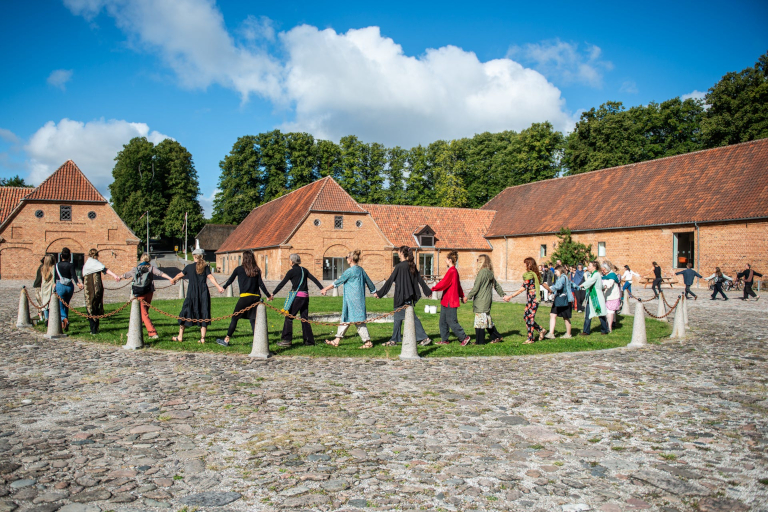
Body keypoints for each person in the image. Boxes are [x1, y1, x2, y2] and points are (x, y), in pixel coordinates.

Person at [375, 246, 433, 347]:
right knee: (398, 318)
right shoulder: (411, 265)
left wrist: (380, 293)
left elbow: (389, 281)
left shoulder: (399, 266)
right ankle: (394, 340)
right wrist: (427, 291)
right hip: (408, 296)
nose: (397, 252)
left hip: (400, 296)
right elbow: (420, 280)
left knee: (412, 318)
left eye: (398, 250)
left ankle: (424, 338)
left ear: (402, 253)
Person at [320, 250, 377, 349]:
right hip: (355, 300)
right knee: (346, 318)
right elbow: (369, 282)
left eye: (346, 257)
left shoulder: (349, 271)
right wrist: (374, 292)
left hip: (352, 300)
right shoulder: (361, 270)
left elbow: (337, 282)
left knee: (358, 321)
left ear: (350, 259)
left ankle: (368, 342)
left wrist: (325, 289)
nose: (346, 259)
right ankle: (336, 340)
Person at [216, 250, 270, 347]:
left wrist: (223, 287)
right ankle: (256, 343)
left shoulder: (239, 269)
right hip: (255, 298)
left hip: (245, 297)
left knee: (235, 318)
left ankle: (226, 339)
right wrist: (268, 295)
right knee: (253, 319)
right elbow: (261, 284)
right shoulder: (256, 270)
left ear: (244, 259)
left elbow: (230, 280)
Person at [170, 249, 224, 343]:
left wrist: (173, 280)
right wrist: (218, 287)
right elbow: (211, 277)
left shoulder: (189, 267)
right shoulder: (205, 267)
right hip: (203, 293)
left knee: (185, 312)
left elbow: (180, 275)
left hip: (192, 293)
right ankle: (202, 338)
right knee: (204, 312)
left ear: (194, 256)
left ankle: (180, 336)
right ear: (203, 256)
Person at [270, 253, 323, 347]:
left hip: (297, 297)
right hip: (305, 296)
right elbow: (314, 279)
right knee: (304, 319)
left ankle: (287, 340)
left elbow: (282, 283)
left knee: (289, 317)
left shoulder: (291, 272)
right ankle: (309, 341)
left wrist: (273, 293)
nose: (289, 261)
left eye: (289, 259)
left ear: (292, 261)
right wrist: (321, 288)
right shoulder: (304, 270)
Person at [122, 253, 175, 340]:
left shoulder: (135, 269)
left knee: (143, 314)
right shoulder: (151, 268)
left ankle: (152, 333)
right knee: (143, 313)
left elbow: (125, 275)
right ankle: (133, 330)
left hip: (140, 293)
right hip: (149, 293)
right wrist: (170, 279)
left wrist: (118, 277)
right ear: (149, 260)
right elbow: (161, 274)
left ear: (141, 259)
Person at [503, 257, 551, 344]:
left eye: (526, 263)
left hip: (535, 298)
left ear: (530, 264)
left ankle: (530, 338)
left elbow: (524, 288)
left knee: (530, 317)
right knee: (526, 317)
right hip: (529, 298)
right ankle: (541, 330)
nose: (525, 265)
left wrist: (511, 296)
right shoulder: (529, 275)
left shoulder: (534, 275)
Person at [431, 251, 471, 346]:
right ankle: (445, 339)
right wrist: (462, 295)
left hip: (451, 301)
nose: (445, 260)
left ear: (450, 260)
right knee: (443, 321)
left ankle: (464, 337)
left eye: (446, 259)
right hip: (446, 300)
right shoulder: (452, 271)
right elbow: (458, 285)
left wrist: (433, 289)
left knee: (451, 321)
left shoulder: (452, 271)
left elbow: (444, 283)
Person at [464, 254, 505, 345]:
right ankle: (496, 336)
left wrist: (468, 297)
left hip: (481, 300)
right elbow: (497, 286)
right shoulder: (489, 272)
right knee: (487, 320)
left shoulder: (482, 272)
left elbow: (476, 287)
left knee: (480, 322)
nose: (477, 262)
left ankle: (480, 342)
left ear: (482, 261)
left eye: (478, 260)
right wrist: (503, 295)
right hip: (487, 300)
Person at [82, 249, 121, 335]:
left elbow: (83, 276)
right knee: (96, 306)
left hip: (88, 289)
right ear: (97, 255)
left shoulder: (87, 264)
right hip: (97, 288)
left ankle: (92, 329)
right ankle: (95, 327)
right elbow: (105, 269)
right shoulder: (96, 263)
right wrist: (115, 276)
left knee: (89, 307)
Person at [54, 247, 84, 331]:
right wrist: (78, 283)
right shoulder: (71, 265)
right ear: (69, 256)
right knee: (66, 304)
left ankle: (64, 319)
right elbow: (74, 276)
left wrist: (54, 284)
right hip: (69, 286)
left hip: (60, 286)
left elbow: (55, 277)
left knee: (60, 305)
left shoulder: (57, 265)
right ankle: (64, 323)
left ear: (61, 256)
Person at [579, 261, 609, 336]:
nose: (588, 267)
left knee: (600, 313)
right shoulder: (592, 274)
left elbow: (590, 282)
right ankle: (586, 331)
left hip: (596, 297)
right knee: (587, 314)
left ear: (594, 267)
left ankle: (604, 329)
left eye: (589, 266)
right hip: (590, 297)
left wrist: (581, 286)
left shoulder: (596, 274)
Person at [546, 265, 573, 338]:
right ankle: (551, 333)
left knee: (566, 317)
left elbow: (559, 286)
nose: (555, 273)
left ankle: (568, 334)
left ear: (560, 270)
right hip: (558, 299)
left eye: (556, 271)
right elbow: (571, 284)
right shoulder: (560, 278)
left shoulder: (563, 278)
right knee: (552, 314)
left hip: (564, 300)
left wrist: (551, 289)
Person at [601, 262, 621, 332]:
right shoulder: (604, 276)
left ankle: (609, 327)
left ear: (606, 269)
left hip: (612, 296)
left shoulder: (612, 275)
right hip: (606, 296)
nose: (602, 271)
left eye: (603, 270)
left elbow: (610, 283)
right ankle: (607, 325)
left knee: (610, 311)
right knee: (606, 312)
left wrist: (605, 287)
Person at [39, 255, 56, 324]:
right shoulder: (53, 268)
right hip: (50, 287)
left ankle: (46, 318)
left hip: (44, 287)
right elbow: (54, 278)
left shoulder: (42, 268)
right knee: (51, 302)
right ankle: (51, 318)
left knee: (45, 303)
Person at [32, 257, 45, 322]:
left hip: (39, 286)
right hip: (40, 286)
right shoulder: (43, 267)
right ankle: (41, 316)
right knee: (41, 301)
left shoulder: (42, 266)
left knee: (40, 302)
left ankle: (42, 315)